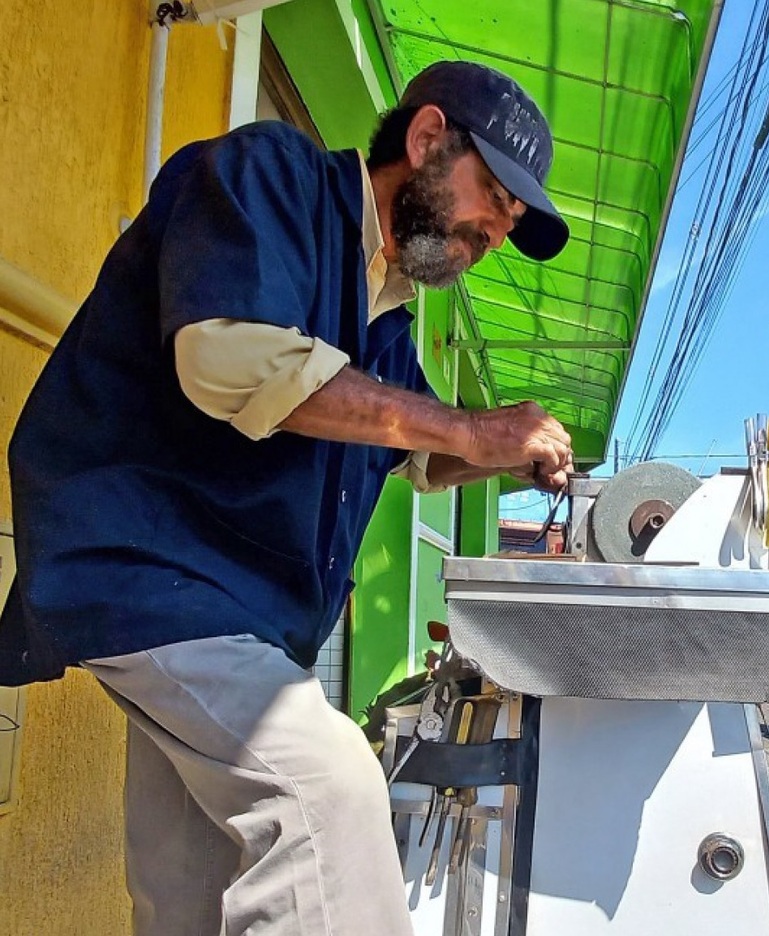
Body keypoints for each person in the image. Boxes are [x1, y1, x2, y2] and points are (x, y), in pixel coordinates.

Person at [0, 61, 574, 935]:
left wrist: (495, 453)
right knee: (329, 788)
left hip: (234, 617)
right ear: (426, 141)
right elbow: (227, 359)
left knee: (189, 886)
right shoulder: (270, 174)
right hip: (149, 568)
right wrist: (470, 430)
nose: (493, 231)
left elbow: (417, 459)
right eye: (491, 195)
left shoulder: (387, 316)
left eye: (508, 222)